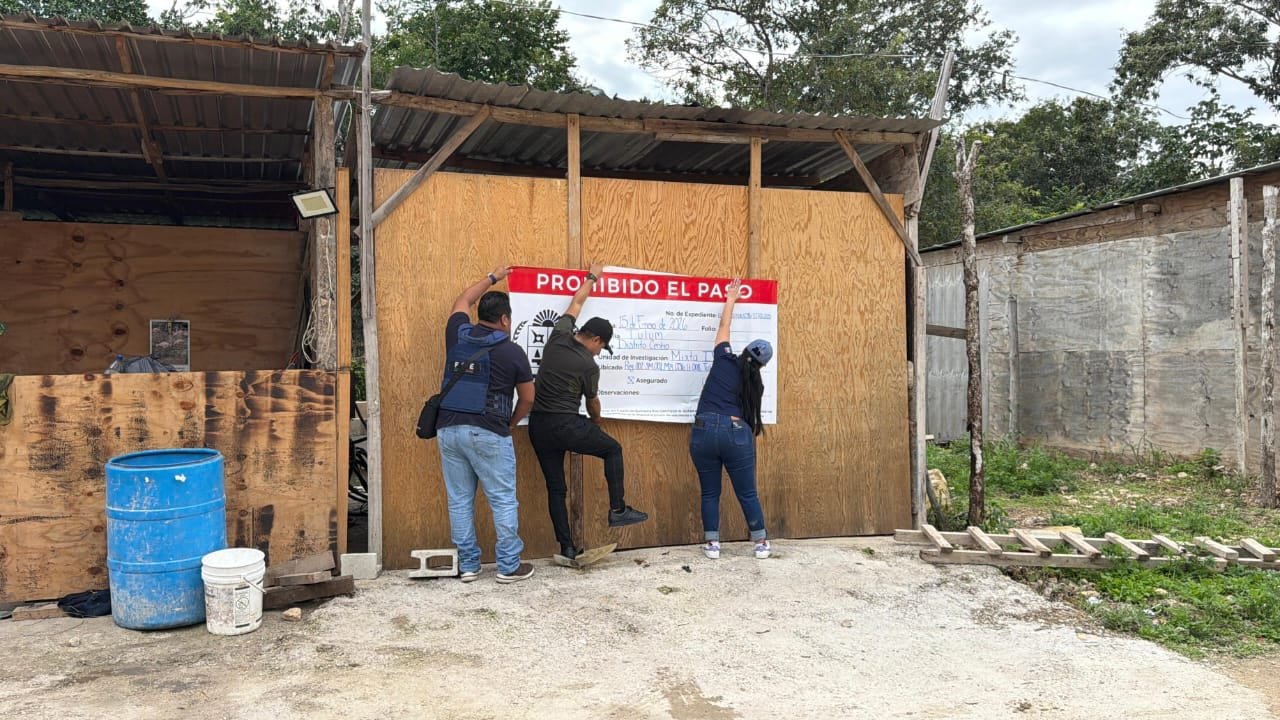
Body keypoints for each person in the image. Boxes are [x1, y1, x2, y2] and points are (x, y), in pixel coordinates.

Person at [528, 262, 649, 562]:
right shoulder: (588, 365)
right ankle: (618, 509)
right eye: (601, 347)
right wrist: (596, 422)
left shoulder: (558, 336)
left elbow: (576, 303)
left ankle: (567, 547)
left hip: (538, 426)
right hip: (566, 425)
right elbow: (592, 402)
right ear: (595, 340)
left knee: (556, 489)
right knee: (612, 449)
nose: (599, 352)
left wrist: (592, 277)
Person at [435, 266, 536, 584]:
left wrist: (494, 277)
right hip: (489, 431)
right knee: (502, 499)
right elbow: (528, 398)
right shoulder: (512, 351)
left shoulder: (457, 333)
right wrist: (510, 423)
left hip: (448, 429)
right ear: (505, 319)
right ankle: (508, 566)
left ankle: (468, 565)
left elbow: (463, 299)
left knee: (459, 499)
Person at [689, 279, 774, 560]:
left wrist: (730, 298)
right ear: (762, 365)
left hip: (703, 430)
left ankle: (713, 544)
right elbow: (750, 417)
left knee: (709, 492)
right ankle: (760, 542)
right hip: (736, 432)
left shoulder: (723, 359)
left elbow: (723, 326)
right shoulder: (756, 386)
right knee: (747, 493)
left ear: (745, 350)